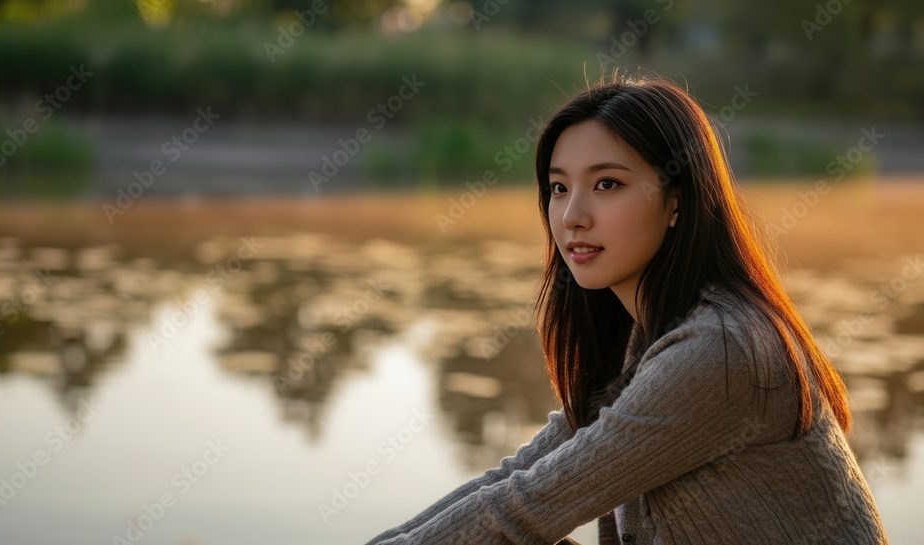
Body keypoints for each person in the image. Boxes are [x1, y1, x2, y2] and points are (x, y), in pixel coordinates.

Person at [365, 77, 889, 544]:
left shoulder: (721, 350)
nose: (572, 216)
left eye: (607, 185)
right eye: (558, 187)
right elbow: (514, 479)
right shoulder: (645, 343)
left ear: (676, 201)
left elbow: (526, 509)